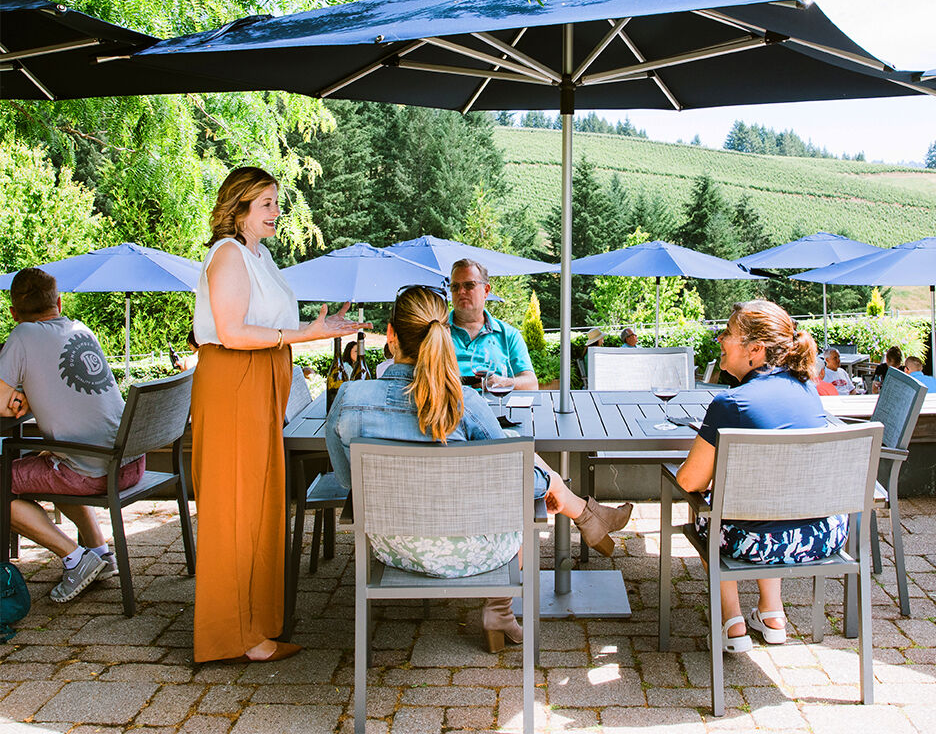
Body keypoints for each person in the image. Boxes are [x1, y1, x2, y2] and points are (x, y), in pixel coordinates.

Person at [326, 286, 632, 652]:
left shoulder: (350, 400)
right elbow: (517, 480)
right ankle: (575, 523)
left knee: (523, 468)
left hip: (391, 549)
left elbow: (346, 481)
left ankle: (586, 514)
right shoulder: (464, 404)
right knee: (526, 476)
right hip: (474, 553)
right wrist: (545, 484)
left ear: (391, 336)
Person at [191, 166, 362, 664]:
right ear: (239, 208)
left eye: (276, 202)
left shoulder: (257, 256)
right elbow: (233, 330)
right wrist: (304, 336)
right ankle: (230, 634)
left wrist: (319, 325)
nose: (277, 212)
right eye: (267, 202)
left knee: (261, 502)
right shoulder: (227, 255)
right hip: (234, 382)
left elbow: (270, 323)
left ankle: (255, 625)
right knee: (235, 506)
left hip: (259, 380)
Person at [675, 300, 846, 653]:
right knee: (772, 497)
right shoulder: (808, 392)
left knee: (712, 511)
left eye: (727, 334)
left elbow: (690, 482)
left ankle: (732, 622)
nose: (720, 340)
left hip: (755, 543)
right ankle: (772, 614)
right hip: (821, 536)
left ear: (755, 349)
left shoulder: (731, 404)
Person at [0, 268, 142, 603]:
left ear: (13, 313)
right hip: (129, 460)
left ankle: (76, 559)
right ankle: (99, 552)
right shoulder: (82, 330)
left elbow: (3, 405)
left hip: (94, 471)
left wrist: (19, 397)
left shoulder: (22, 335)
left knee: (5, 478)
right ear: (59, 303)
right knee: (51, 459)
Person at [448, 259, 538, 390]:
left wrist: (503, 383)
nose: (461, 292)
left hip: (496, 406)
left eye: (469, 285)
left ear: (486, 290)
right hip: (447, 407)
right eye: (455, 287)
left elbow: (531, 384)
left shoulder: (508, 335)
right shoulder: (436, 332)